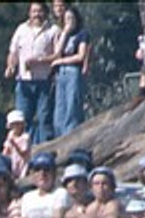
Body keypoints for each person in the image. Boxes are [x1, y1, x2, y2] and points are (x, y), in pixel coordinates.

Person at [4, 2, 60, 144]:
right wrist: (11, 66)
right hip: (23, 81)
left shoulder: (53, 30)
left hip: (44, 81)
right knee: (22, 119)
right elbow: (13, 52)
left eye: (40, 11)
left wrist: (39, 61)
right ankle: (22, 151)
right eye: (34, 11)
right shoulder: (21, 29)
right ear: (29, 13)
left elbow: (57, 55)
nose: (36, 14)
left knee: (44, 118)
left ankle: (45, 150)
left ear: (45, 13)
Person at [51, 5, 91, 138]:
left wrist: (61, 61)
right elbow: (57, 53)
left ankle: (71, 135)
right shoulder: (62, 34)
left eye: (71, 18)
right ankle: (60, 135)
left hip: (73, 71)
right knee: (59, 109)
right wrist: (65, 33)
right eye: (66, 18)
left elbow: (80, 56)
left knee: (72, 107)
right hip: (60, 73)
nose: (69, 21)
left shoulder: (82, 34)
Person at [1, 109, 32, 183]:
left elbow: (23, 153)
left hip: (23, 161)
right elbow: (7, 148)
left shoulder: (25, 137)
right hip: (13, 159)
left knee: (22, 176)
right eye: (13, 125)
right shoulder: (10, 134)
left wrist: (14, 144)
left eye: (18, 124)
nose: (15, 127)